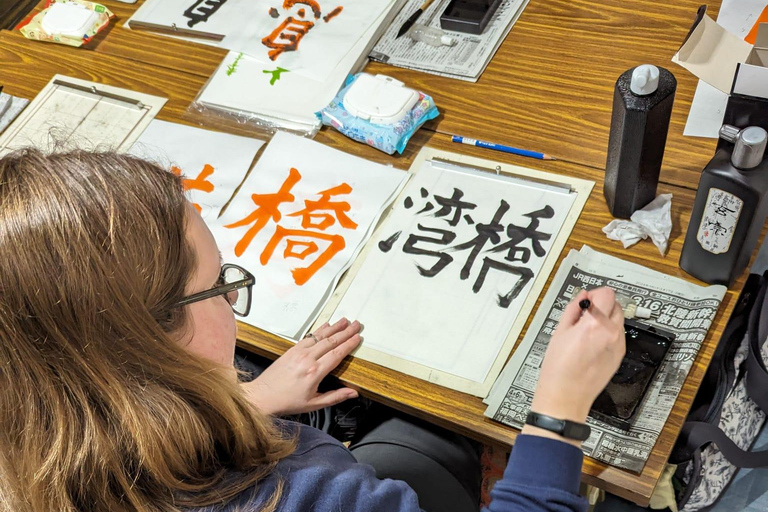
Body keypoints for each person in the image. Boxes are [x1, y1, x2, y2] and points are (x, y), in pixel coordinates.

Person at [0, 149, 626, 512]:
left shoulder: (36, 434)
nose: (233, 304)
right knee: (430, 439)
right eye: (222, 284)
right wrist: (558, 413)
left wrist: (240, 402)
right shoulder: (298, 496)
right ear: (151, 340)